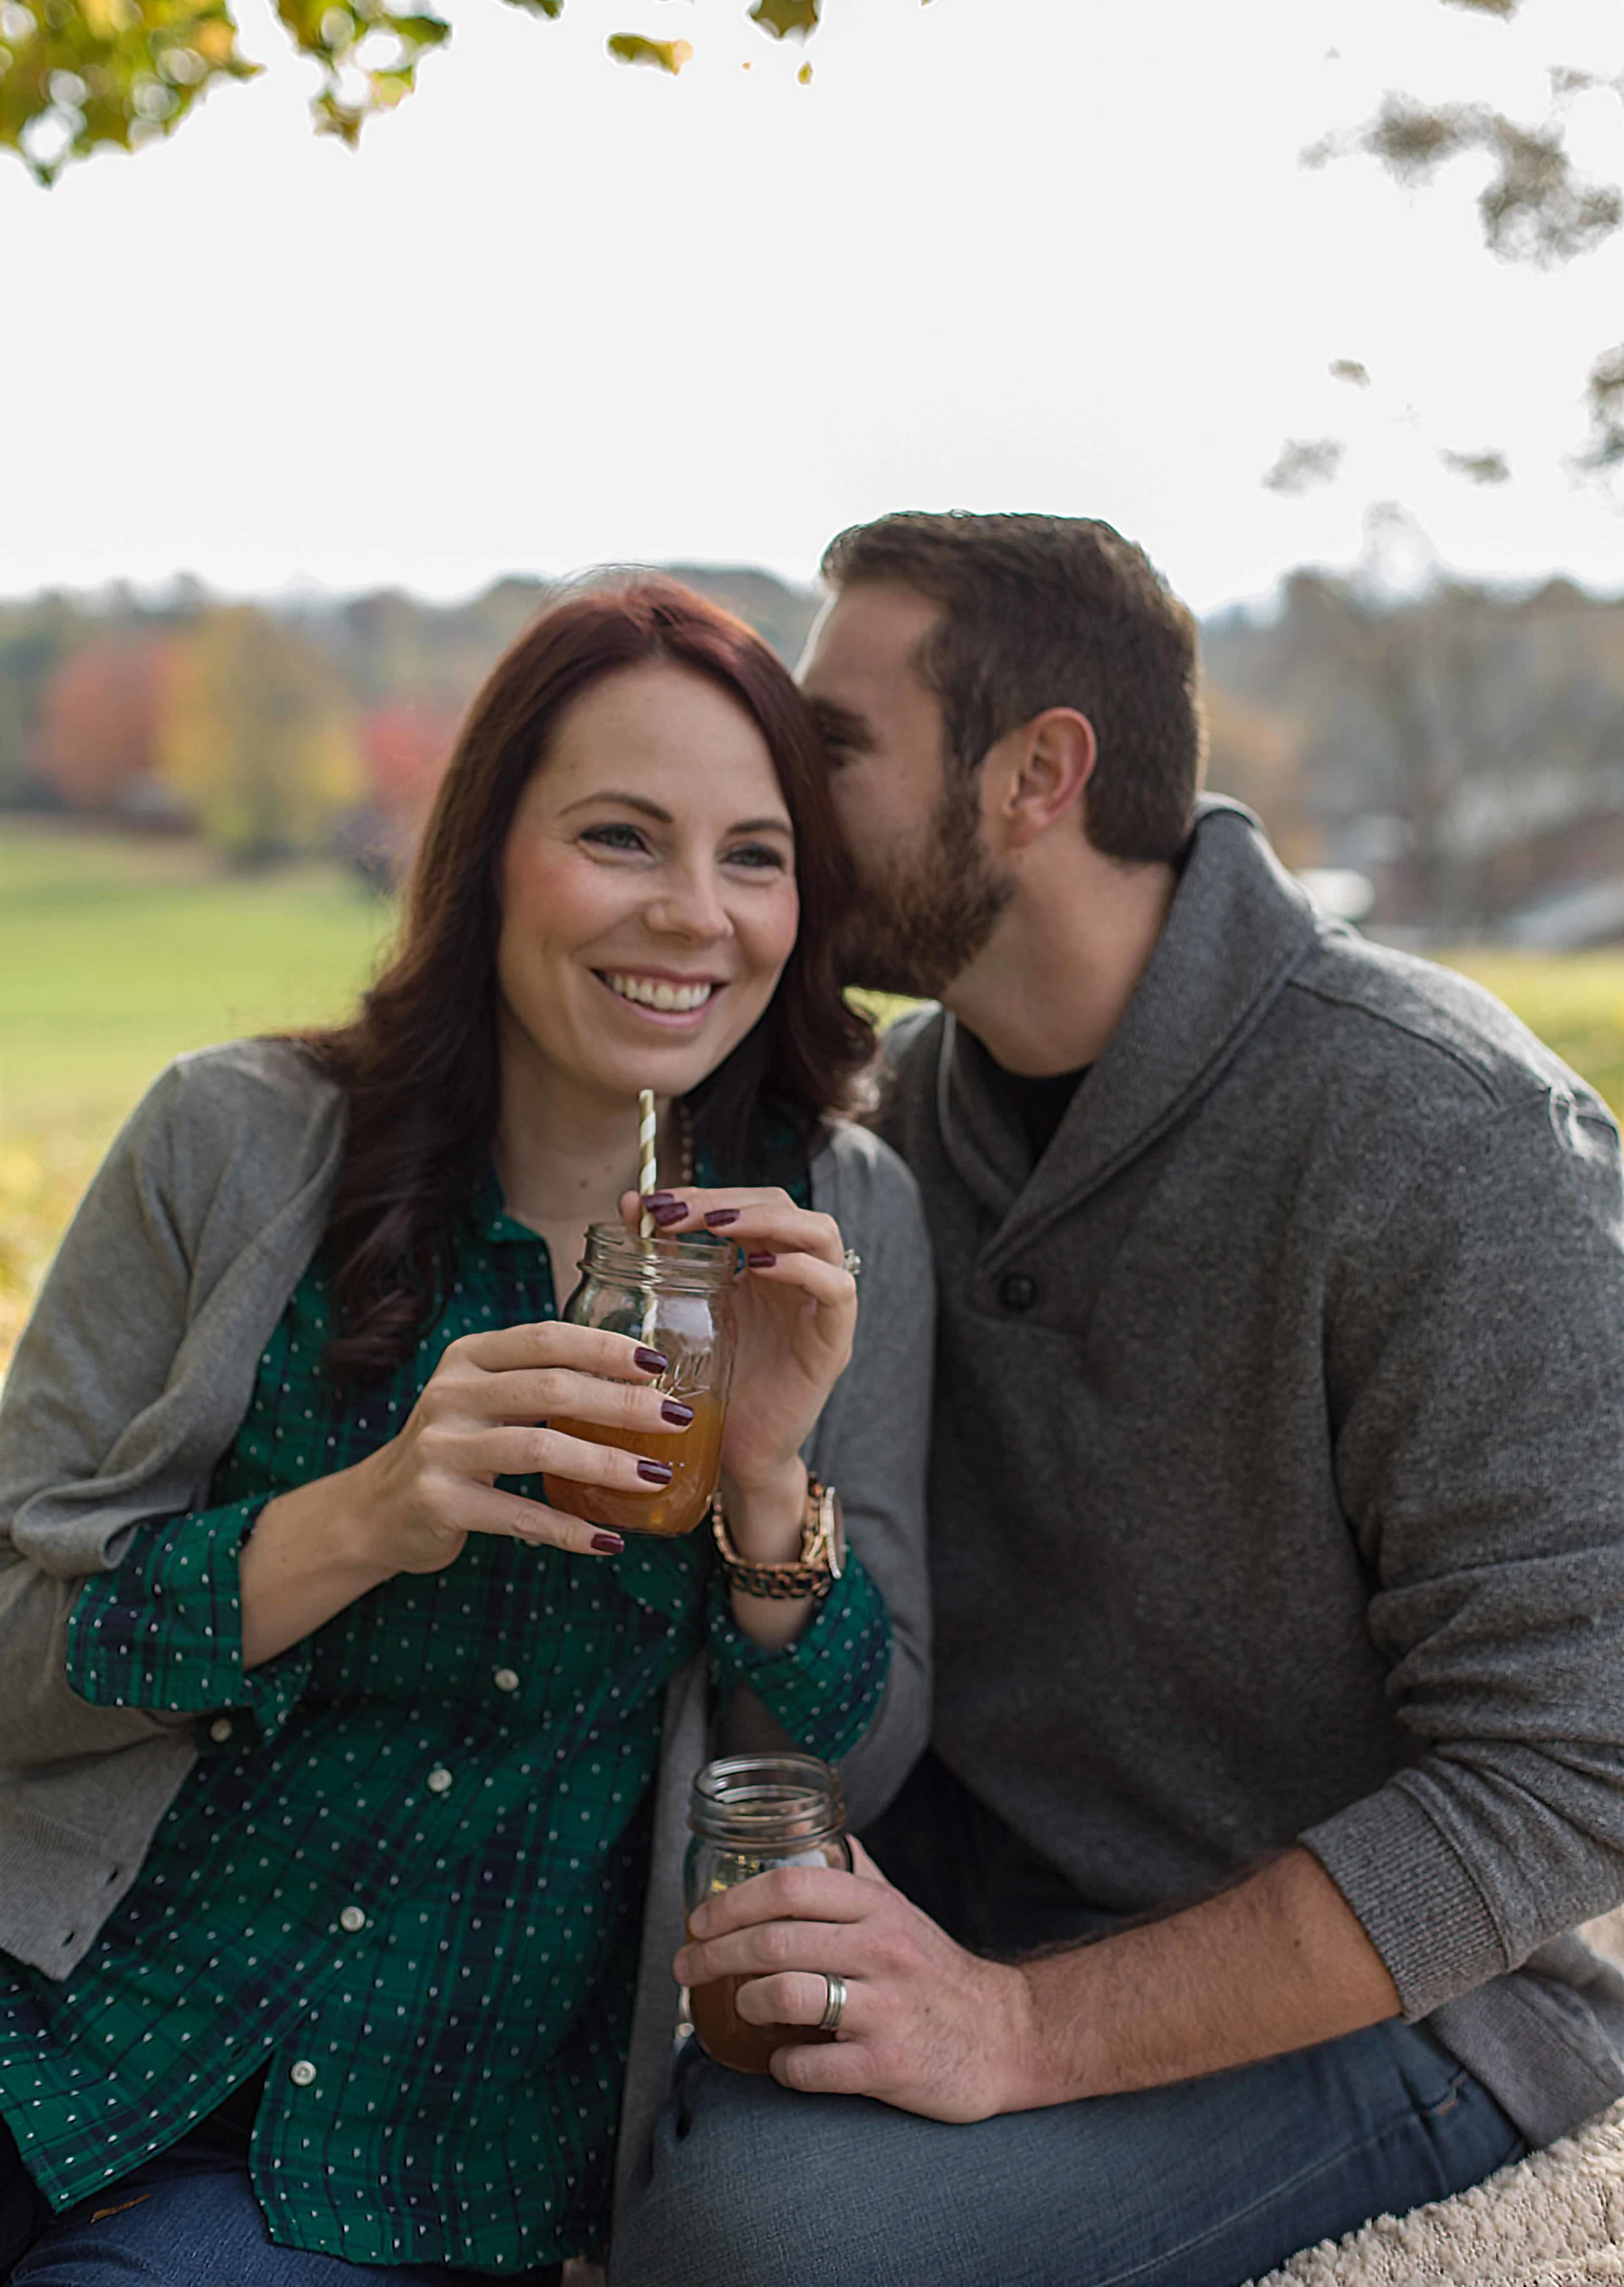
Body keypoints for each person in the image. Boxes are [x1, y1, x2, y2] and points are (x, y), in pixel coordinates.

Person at [612, 513, 1624, 2287]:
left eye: (834, 746)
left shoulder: (1443, 1131)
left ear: (1035, 777)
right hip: (957, 1924)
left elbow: (1573, 1766)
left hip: (1382, 2014)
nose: (780, 795)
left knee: (763, 2236)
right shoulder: (890, 1128)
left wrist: (1019, 2029)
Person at [0, 577, 933, 2284]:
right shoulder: (230, 1136)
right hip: (56, 1999)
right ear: (490, 850)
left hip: (410, 2146)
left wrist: (763, 1482)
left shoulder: (834, 1222)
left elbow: (848, 1768)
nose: (692, 913)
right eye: (620, 836)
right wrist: (357, 1519)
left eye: (754, 855)